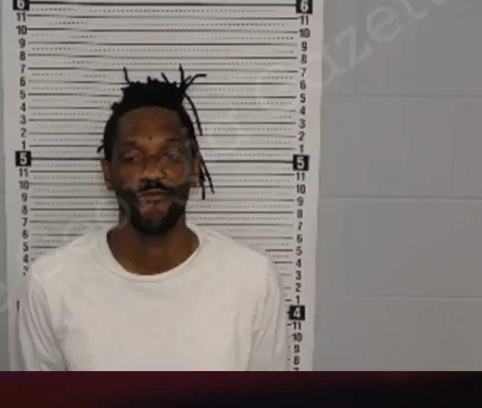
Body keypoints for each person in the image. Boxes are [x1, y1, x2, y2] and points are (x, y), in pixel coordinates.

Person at [16, 66, 288, 371]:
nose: (153, 172)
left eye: (171, 155)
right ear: (107, 174)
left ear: (195, 169)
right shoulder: (50, 286)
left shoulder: (253, 281)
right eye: (133, 158)